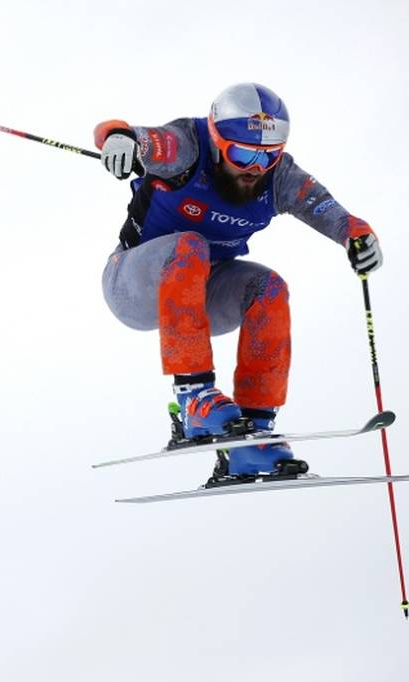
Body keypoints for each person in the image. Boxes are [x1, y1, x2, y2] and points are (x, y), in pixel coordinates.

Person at [94, 82, 384, 480]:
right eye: (243, 154)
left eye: (268, 157)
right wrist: (118, 139)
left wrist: (357, 235)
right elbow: (136, 137)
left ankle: (250, 438)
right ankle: (194, 399)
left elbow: (325, 208)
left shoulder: (276, 177)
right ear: (216, 141)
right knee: (190, 247)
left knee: (269, 288)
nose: (255, 169)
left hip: (201, 294)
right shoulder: (187, 147)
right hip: (133, 285)